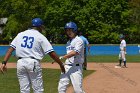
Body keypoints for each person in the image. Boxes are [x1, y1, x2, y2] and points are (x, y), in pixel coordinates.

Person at [1, 18, 65, 93]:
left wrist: (4, 62)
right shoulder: (40, 36)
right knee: (38, 90)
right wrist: (60, 64)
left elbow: (10, 49)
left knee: (24, 90)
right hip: (32, 62)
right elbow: (51, 53)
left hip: (20, 63)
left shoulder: (20, 34)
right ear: (40, 27)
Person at [58, 22, 85, 93]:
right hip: (66, 67)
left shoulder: (79, 40)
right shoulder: (68, 42)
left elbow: (75, 52)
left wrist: (63, 57)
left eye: (70, 30)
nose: (68, 32)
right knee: (61, 89)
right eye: (67, 30)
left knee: (78, 90)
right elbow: (69, 54)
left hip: (76, 68)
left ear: (75, 30)